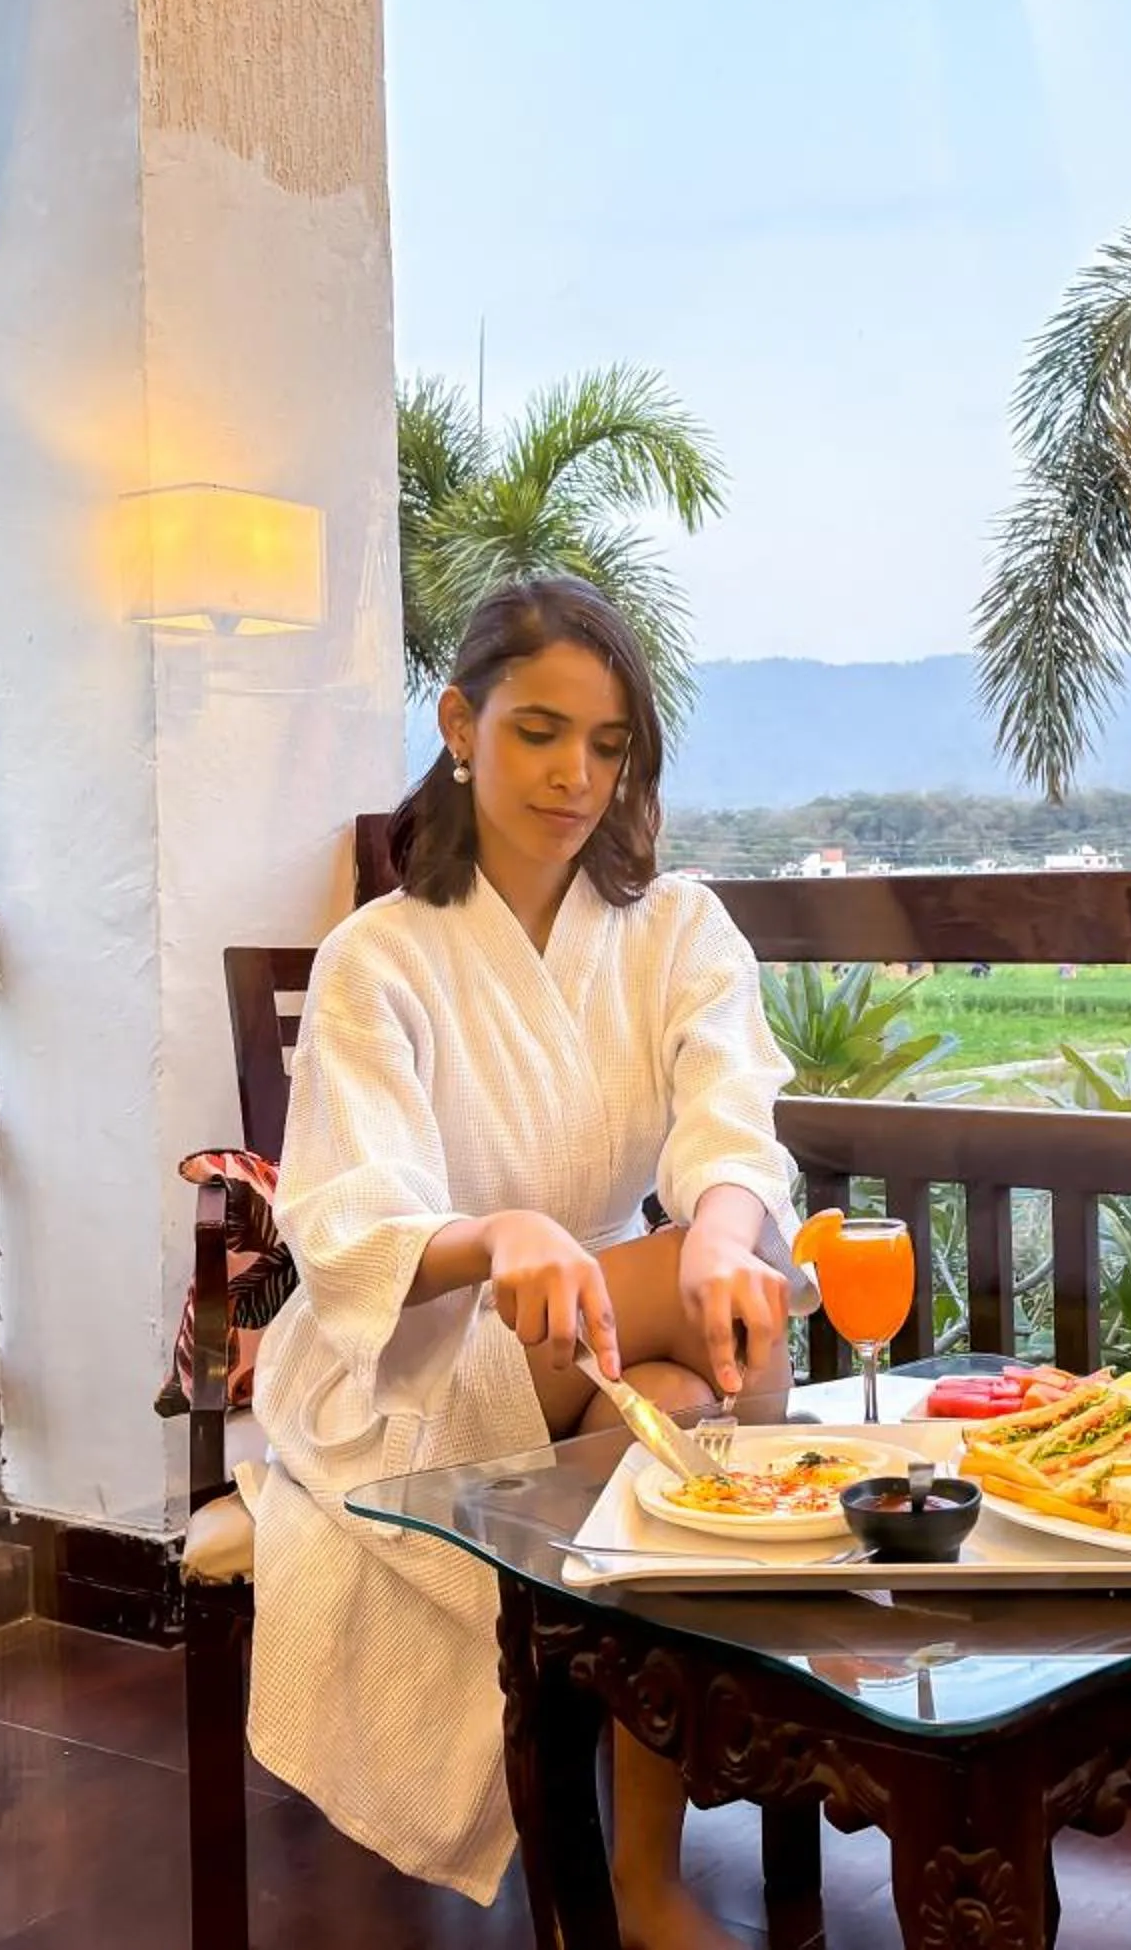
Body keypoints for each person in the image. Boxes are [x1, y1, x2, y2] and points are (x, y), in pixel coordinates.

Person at [243, 576, 803, 1950]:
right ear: (460, 725)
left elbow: (733, 1118)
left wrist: (719, 1232)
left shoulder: (676, 929)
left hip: (593, 1339)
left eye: (607, 746)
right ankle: (743, 1772)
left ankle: (628, 1884)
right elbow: (352, 1217)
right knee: (720, 1356)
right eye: (540, 732)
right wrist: (501, 1236)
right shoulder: (379, 958)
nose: (575, 776)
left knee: (682, 1396)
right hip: (408, 1360)